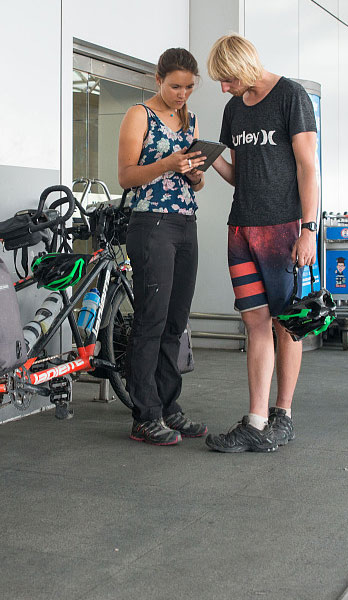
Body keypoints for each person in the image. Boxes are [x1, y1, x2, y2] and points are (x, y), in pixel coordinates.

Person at [205, 33, 319, 453]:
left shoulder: (291, 96)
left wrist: (310, 229)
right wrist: (211, 155)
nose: (224, 88)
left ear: (247, 66)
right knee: (254, 322)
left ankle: (282, 416)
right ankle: (255, 420)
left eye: (228, 79)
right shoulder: (234, 109)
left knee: (287, 324)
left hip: (285, 229)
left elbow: (308, 167)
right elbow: (239, 174)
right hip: (242, 229)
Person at [117, 48, 209, 446]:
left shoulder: (190, 120)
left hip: (185, 223)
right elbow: (125, 176)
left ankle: (169, 407)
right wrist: (168, 164)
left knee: (176, 321)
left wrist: (194, 174)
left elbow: (199, 181)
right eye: (175, 86)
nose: (182, 94)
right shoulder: (139, 114)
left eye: (189, 87)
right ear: (158, 80)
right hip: (150, 223)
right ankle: (145, 414)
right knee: (151, 320)